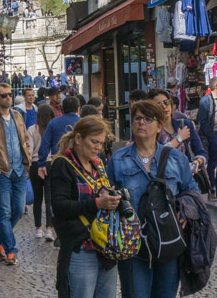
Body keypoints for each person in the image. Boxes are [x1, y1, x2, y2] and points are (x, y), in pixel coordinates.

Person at [107, 99, 198, 298]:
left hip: (168, 242)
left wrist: (185, 209)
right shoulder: (118, 159)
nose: (141, 123)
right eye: (138, 118)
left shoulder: (177, 159)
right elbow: (107, 193)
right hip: (133, 245)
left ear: (159, 126)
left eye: (148, 119)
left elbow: (192, 192)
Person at [49, 116, 119, 298]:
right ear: (78, 138)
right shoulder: (62, 165)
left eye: (101, 143)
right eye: (94, 142)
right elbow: (59, 207)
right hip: (81, 246)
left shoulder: (99, 165)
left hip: (105, 247)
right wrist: (97, 203)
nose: (98, 147)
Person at [0, 83, 31, 265]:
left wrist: (27, 164)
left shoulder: (18, 116)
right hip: (1, 172)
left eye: (10, 94)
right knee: (4, 212)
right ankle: (11, 250)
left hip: (19, 170)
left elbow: (25, 140)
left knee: (18, 210)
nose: (8, 98)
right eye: (3, 95)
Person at [148, 89, 206, 172]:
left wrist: (198, 162)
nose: (164, 106)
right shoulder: (150, 130)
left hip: (186, 178)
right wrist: (178, 139)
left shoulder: (185, 125)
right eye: (159, 104)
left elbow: (201, 152)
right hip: (164, 179)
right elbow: (154, 157)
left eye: (166, 102)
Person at [28, 104, 56, 240]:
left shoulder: (32, 129)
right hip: (50, 162)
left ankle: (38, 228)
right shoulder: (54, 130)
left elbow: (29, 150)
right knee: (50, 198)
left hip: (35, 163)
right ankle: (49, 228)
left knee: (37, 198)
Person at [38, 97, 82, 173]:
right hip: (79, 163)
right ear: (78, 109)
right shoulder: (83, 123)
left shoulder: (53, 122)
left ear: (62, 109)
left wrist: (42, 164)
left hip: (58, 162)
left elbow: (45, 143)